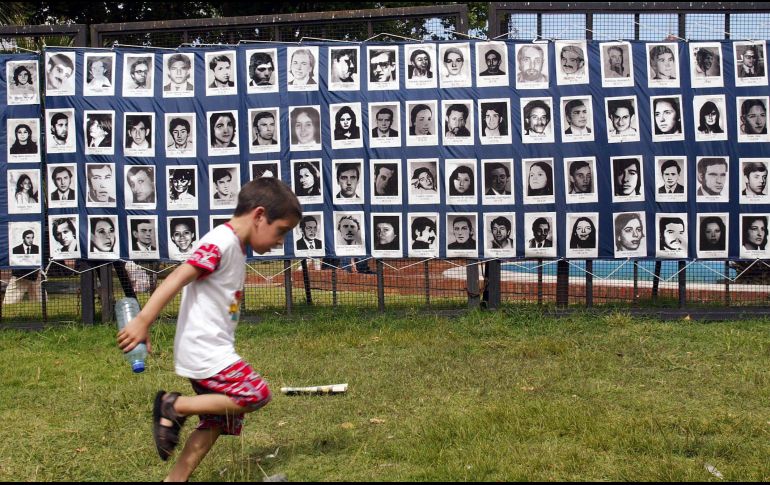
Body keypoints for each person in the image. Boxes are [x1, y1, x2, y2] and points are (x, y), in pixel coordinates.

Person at [117, 178, 301, 482]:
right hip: (205, 350)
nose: (280, 240)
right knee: (254, 394)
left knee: (216, 421)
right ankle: (174, 406)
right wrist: (142, 320)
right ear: (258, 215)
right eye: (280, 230)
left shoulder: (235, 245)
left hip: (210, 347)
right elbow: (177, 277)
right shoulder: (221, 242)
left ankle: (174, 479)